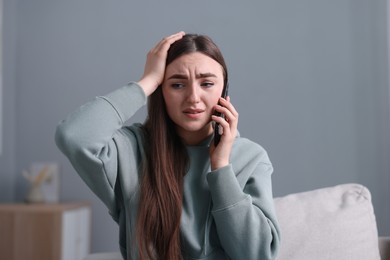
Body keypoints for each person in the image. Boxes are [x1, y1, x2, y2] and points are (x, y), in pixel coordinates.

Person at [55, 32, 280, 260]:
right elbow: (74, 135)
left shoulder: (251, 158)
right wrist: (147, 81)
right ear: (160, 91)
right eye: (177, 84)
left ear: (224, 91)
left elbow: (258, 255)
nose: (193, 97)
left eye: (207, 83)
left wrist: (221, 167)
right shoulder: (132, 151)